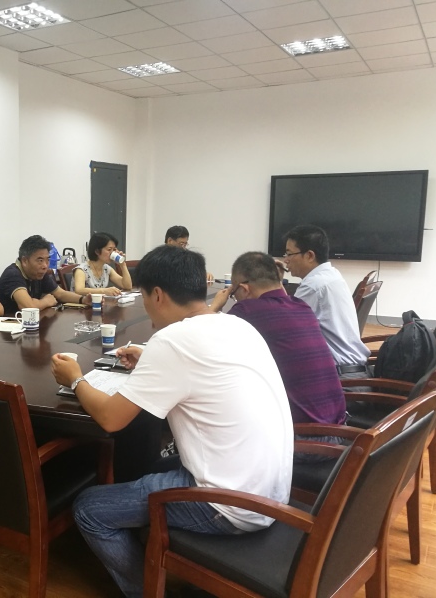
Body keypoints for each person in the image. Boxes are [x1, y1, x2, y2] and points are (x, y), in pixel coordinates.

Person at [51, 246, 292, 598]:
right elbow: (199, 368)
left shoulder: (172, 341)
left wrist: (75, 379)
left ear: (158, 295)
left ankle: (147, 591)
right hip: (270, 490)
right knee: (144, 468)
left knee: (89, 509)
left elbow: (110, 419)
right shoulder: (236, 324)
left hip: (228, 505)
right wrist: (151, 359)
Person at [210, 252, 346, 459]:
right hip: (339, 432)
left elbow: (204, 342)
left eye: (233, 293)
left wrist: (214, 308)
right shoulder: (302, 306)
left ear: (244, 289)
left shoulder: (247, 311)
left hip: (304, 442)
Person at [283, 225, 370, 380]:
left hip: (341, 380)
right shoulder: (331, 274)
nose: (285, 260)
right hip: (355, 371)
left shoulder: (313, 286)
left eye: (289, 254)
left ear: (309, 255)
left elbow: (285, 328)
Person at [0, 235, 90, 313]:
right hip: (4, 328)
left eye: (47, 260)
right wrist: (46, 301)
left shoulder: (38, 273)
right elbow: (28, 307)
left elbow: (60, 294)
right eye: (40, 260)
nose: (45, 266)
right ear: (24, 261)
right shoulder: (13, 274)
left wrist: (83, 299)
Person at [72, 232, 132, 296]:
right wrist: (104, 291)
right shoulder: (81, 270)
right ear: (97, 251)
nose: (112, 253)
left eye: (114, 249)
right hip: (82, 302)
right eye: (109, 249)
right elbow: (79, 290)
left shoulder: (106, 269)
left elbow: (127, 286)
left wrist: (122, 265)